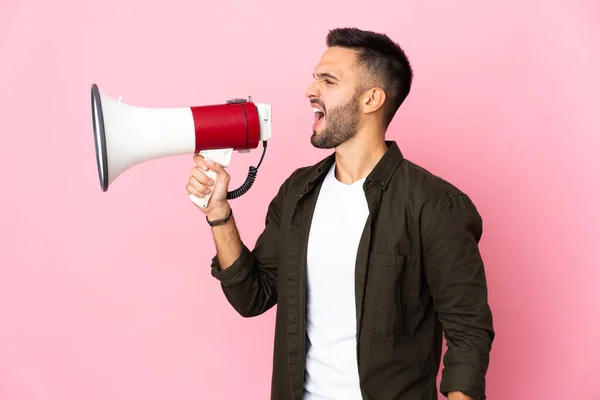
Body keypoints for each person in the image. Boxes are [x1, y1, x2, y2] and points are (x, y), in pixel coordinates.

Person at [186, 27, 494, 400]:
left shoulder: (435, 205)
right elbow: (253, 297)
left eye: (328, 80)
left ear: (371, 99)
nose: (310, 91)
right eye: (315, 78)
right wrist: (219, 213)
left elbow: (468, 333)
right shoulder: (298, 193)